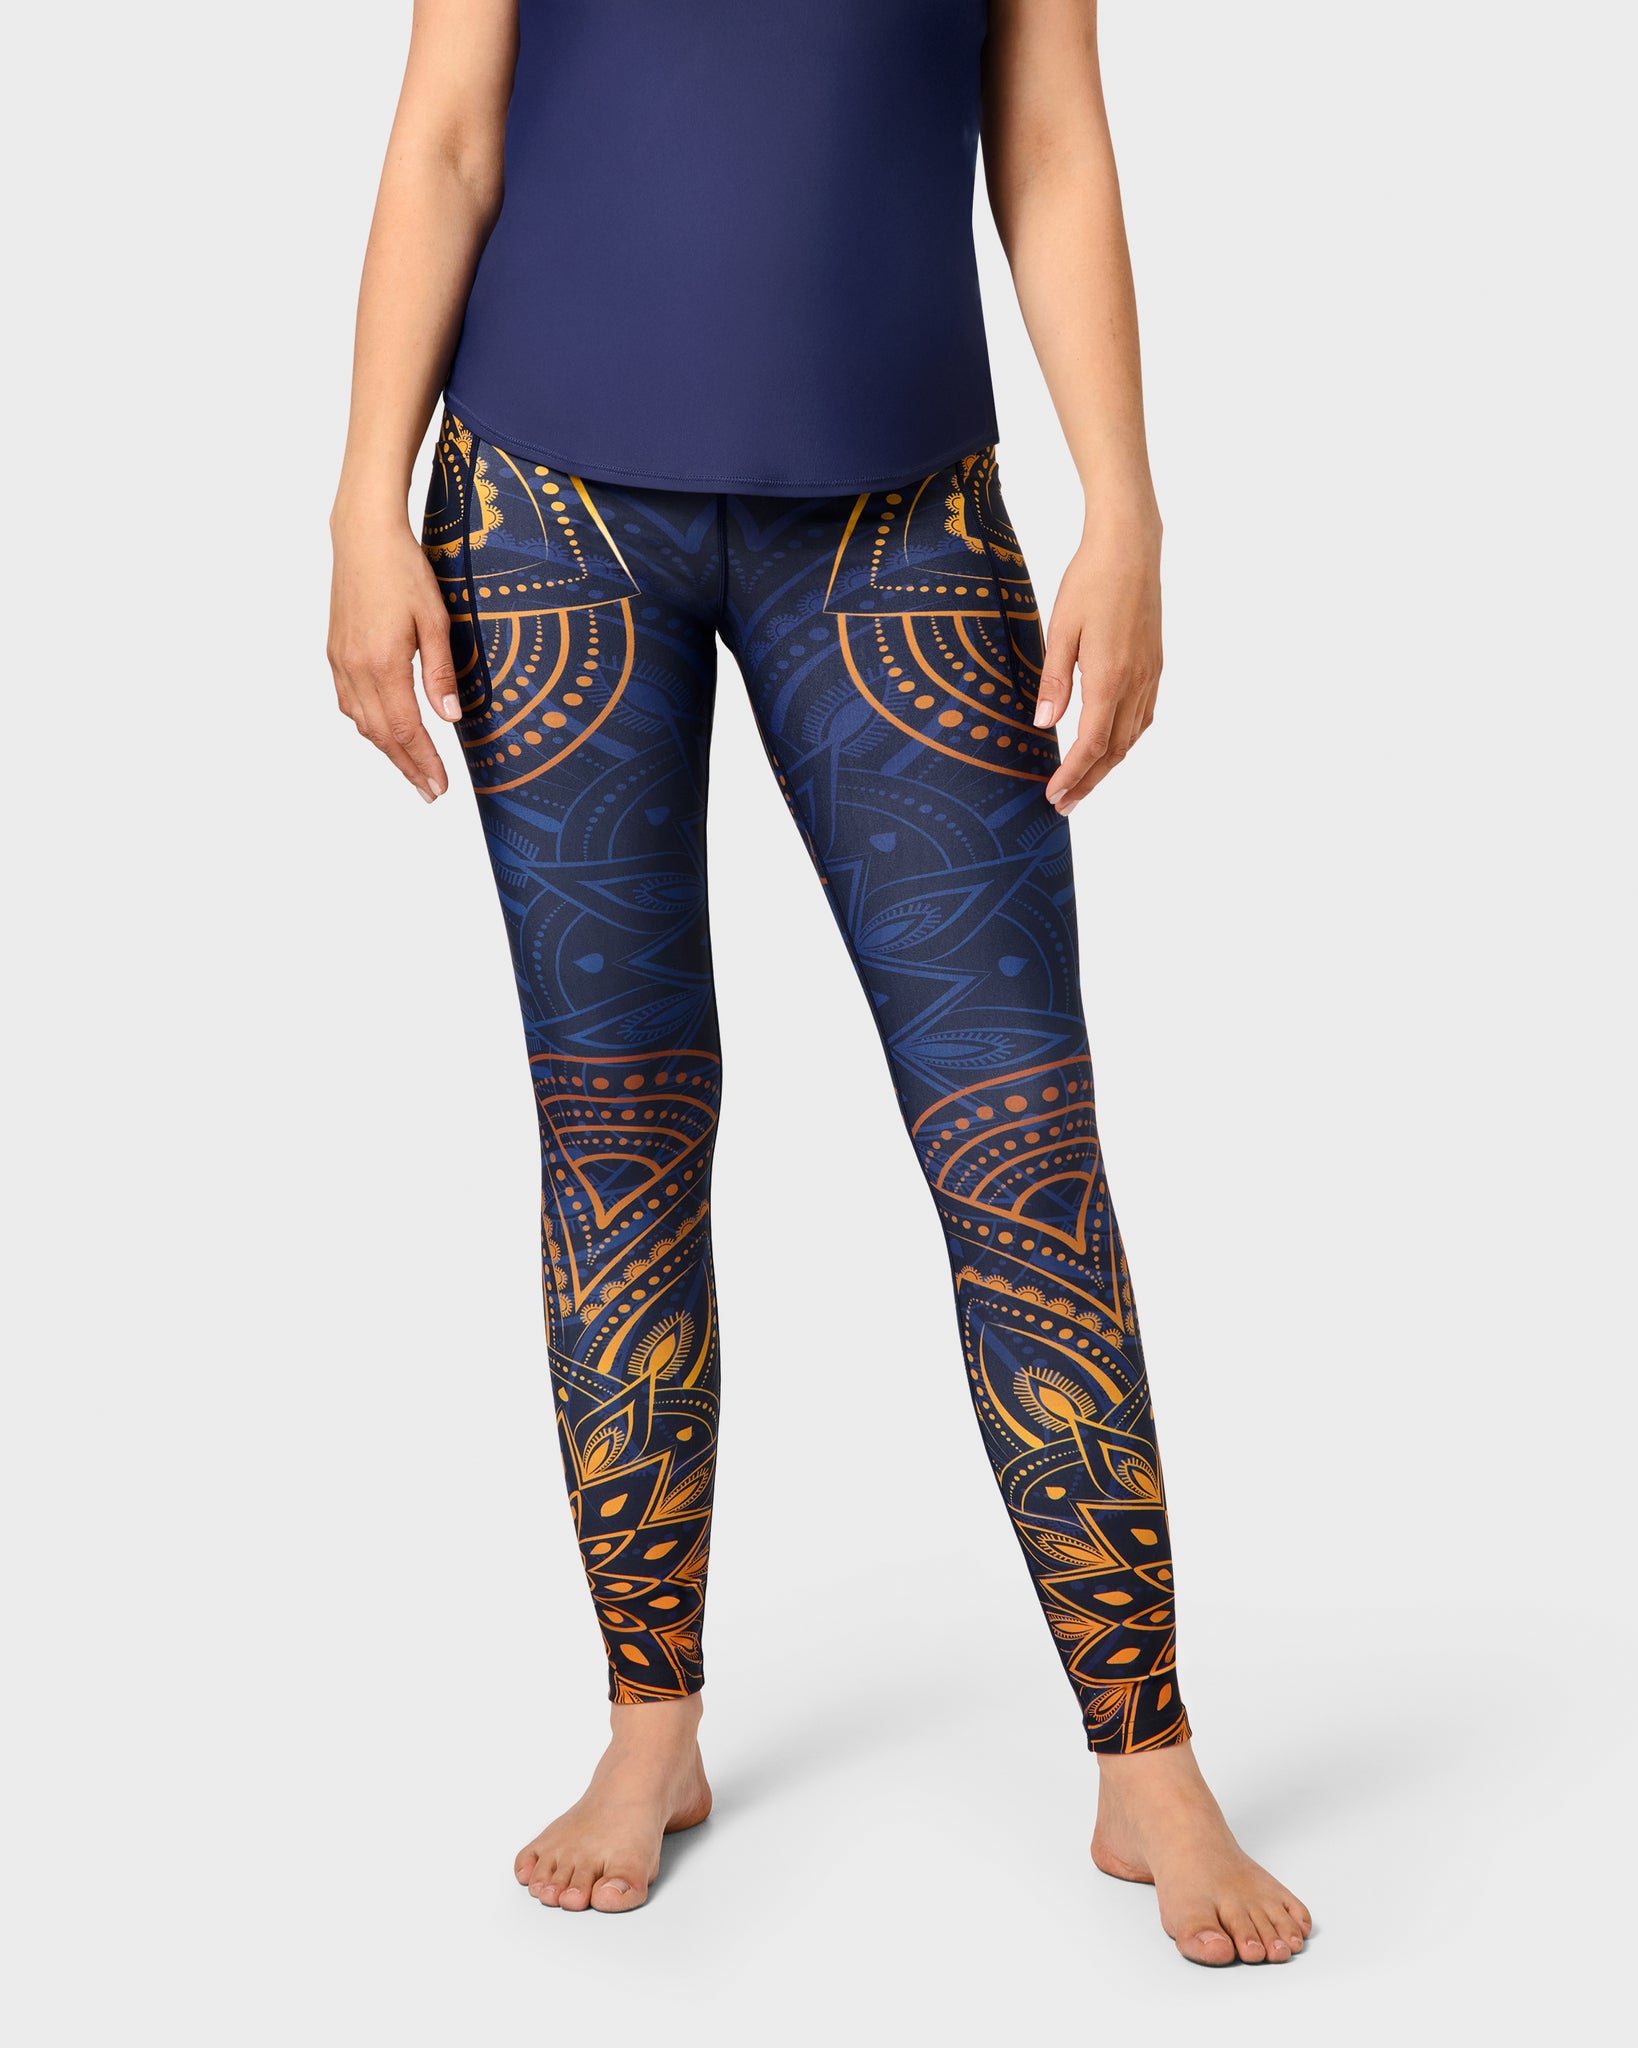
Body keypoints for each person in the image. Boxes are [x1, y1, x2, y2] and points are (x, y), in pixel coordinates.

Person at [328, 0, 1310, 1965]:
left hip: (898, 515)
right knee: (617, 1128)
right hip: (542, 511)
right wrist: (364, 499)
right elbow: (448, 131)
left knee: (1017, 1138)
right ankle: (651, 1723)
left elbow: (1049, 136)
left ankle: (1145, 1748)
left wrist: (1125, 502)